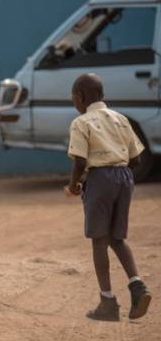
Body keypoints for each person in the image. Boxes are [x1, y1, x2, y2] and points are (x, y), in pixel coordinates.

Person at [65, 73, 151, 321]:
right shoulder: (121, 119)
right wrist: (117, 173)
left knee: (99, 239)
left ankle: (108, 302)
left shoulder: (81, 123)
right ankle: (138, 286)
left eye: (74, 99)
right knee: (117, 237)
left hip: (100, 179)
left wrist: (74, 186)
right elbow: (135, 159)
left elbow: (80, 160)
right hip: (125, 177)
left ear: (80, 97)